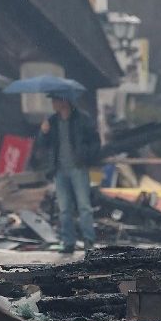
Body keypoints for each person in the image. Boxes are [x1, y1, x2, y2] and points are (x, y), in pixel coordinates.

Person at [34, 93, 100, 253]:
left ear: (64, 101)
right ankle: (68, 242)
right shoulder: (52, 121)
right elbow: (41, 145)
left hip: (78, 168)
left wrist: (86, 157)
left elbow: (95, 141)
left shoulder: (82, 119)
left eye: (55, 100)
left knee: (84, 206)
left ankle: (89, 241)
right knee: (64, 209)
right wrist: (43, 132)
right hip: (59, 170)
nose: (53, 104)